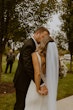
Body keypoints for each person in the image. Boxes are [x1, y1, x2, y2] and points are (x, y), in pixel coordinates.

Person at [13, 27, 52, 110]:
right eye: (43, 37)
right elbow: (28, 66)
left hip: (28, 81)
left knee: (26, 104)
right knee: (21, 105)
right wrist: (41, 83)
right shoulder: (29, 45)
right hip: (22, 81)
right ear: (37, 33)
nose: (43, 39)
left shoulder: (34, 45)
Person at [25, 35, 59, 110]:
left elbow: (37, 73)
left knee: (32, 106)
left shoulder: (35, 55)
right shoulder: (52, 59)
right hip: (48, 86)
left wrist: (37, 88)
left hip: (37, 85)